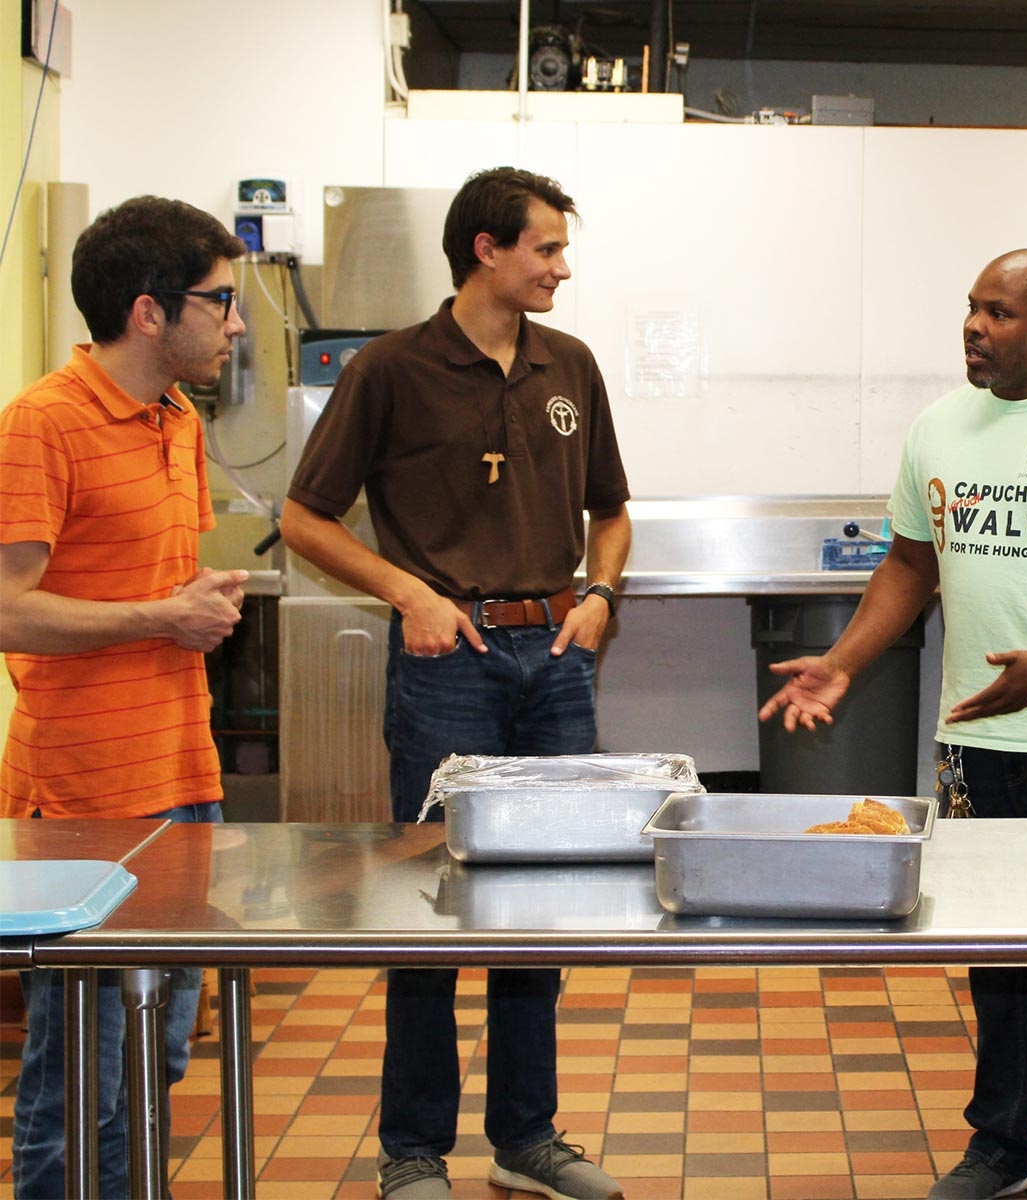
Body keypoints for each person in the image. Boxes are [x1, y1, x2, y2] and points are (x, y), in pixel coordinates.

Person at [760, 248, 1027, 1200]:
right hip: (976, 742)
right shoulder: (941, 427)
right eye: (971, 308)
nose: (974, 327)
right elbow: (912, 565)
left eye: (998, 313)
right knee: (1001, 954)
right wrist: (844, 662)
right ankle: (1001, 1149)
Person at [280, 166, 631, 1200]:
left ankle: (527, 1138)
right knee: (429, 901)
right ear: (487, 249)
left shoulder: (570, 365)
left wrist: (599, 595)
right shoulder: (391, 369)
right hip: (448, 666)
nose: (562, 269)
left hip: (555, 660)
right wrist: (408, 594)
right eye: (546, 249)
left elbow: (611, 509)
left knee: (543, 904)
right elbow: (303, 517)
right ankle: (413, 1148)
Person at [0, 195, 250, 1197]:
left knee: (160, 1052)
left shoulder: (176, 419)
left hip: (181, 775)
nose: (237, 324)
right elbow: (7, 610)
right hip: (86, 795)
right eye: (220, 302)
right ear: (150, 312)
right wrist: (162, 616)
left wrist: (193, 603)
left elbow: (150, 584)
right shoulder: (42, 423)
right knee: (80, 1072)